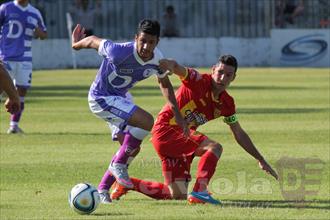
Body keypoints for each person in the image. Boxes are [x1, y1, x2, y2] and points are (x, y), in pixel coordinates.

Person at [110, 55, 279, 205]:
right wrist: (167, 64)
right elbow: (178, 68)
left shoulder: (227, 103)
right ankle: (200, 191)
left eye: (228, 75)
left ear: (233, 78)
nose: (222, 77)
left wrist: (260, 159)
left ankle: (127, 183)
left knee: (176, 194)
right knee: (214, 147)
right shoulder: (197, 80)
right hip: (166, 130)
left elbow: (238, 132)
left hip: (179, 140)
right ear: (213, 70)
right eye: (220, 72)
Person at [71, 19, 188, 204]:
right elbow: (93, 40)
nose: (146, 46)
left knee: (131, 148)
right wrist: (76, 44)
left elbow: (165, 85)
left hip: (121, 99)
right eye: (142, 40)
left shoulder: (158, 59)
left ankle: (102, 190)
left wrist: (178, 116)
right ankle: (117, 166)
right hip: (100, 97)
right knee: (147, 121)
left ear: (157, 42)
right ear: (136, 38)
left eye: (151, 42)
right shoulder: (118, 51)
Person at [0, 0, 47, 134]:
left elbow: (44, 34)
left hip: (25, 58)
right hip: (5, 56)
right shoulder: (5, 8)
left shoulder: (34, 12)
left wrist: (38, 32)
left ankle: (14, 125)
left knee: (21, 92)